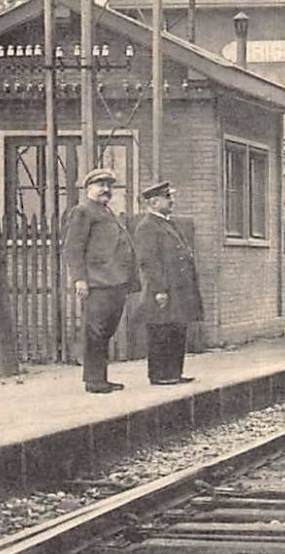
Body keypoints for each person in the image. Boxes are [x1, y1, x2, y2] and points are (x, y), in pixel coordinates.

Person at [61, 168, 139, 393]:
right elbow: (73, 248)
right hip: (97, 281)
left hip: (114, 281)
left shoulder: (105, 211)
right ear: (88, 189)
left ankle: (100, 377)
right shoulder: (83, 211)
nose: (105, 189)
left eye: (109, 186)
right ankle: (94, 380)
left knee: (106, 330)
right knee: (96, 330)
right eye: (100, 185)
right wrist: (79, 279)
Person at [132, 181, 203, 386]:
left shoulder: (167, 223)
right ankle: (159, 375)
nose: (172, 201)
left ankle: (174, 372)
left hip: (177, 289)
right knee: (160, 331)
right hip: (163, 289)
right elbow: (148, 261)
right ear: (154, 202)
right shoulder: (147, 226)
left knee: (176, 329)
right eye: (168, 198)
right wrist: (159, 289)